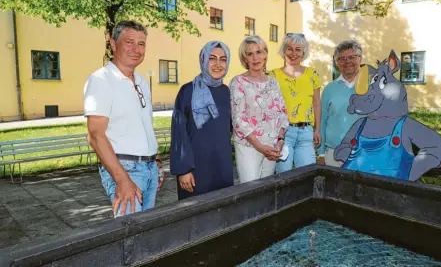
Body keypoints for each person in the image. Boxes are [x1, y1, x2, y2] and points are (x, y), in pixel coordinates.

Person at [84, 20, 163, 217]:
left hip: (150, 168)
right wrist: (122, 179)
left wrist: (156, 161)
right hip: (126, 169)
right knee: (129, 238)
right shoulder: (101, 80)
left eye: (142, 44)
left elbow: (144, 126)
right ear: (113, 43)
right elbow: (95, 135)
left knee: (144, 233)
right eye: (129, 42)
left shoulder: (142, 82)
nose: (136, 49)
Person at [170, 41, 234, 200]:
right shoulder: (187, 90)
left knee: (223, 214)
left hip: (222, 166)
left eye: (223, 59)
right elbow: (179, 132)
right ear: (203, 60)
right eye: (212, 58)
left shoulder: (227, 92)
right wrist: (183, 170)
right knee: (194, 218)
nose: (218, 64)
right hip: (195, 168)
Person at [230, 35, 289, 184]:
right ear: (245, 60)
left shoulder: (273, 83)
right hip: (250, 147)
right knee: (250, 192)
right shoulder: (238, 82)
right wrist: (260, 147)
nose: (255, 58)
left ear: (265, 55)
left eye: (259, 52)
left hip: (272, 147)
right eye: (250, 54)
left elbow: (282, 113)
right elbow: (238, 120)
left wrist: (280, 141)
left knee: (266, 191)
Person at [269, 33, 322, 173]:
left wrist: (317, 129)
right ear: (283, 50)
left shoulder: (313, 74)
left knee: (307, 176)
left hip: (306, 133)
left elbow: (317, 104)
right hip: (283, 134)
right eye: (289, 49)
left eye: (298, 49)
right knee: (283, 178)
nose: (293, 53)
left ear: (303, 52)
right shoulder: (273, 76)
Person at [318, 40, 363, 167]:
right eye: (342, 58)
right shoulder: (329, 89)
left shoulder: (372, 86)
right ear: (337, 63)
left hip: (364, 152)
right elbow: (322, 121)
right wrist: (321, 153)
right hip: (333, 153)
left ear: (360, 59)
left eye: (351, 57)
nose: (347, 61)